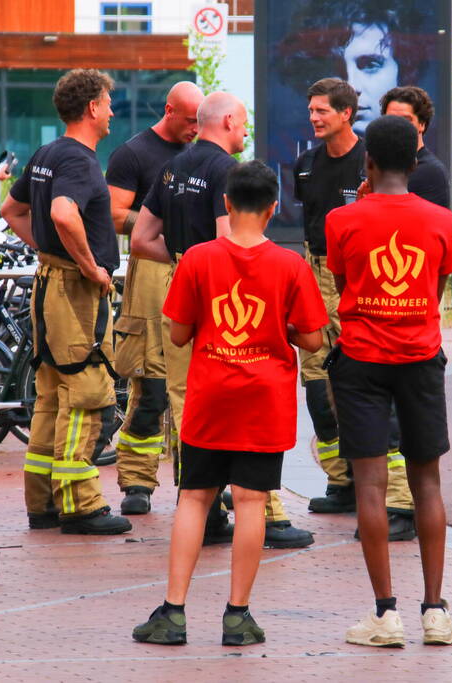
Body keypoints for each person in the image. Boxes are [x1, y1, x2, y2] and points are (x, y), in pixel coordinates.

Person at [132, 160, 327, 646]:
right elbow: (315, 340)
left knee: (194, 498)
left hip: (210, 397)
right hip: (263, 401)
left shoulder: (197, 259)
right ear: (273, 208)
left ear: (226, 203)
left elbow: (177, 335)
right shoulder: (291, 265)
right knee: (251, 501)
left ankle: (173, 613)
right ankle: (237, 616)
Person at [131, 91, 315, 549]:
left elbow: (139, 238)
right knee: (244, 399)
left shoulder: (171, 168)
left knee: (187, 405)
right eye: (244, 122)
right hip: (225, 295)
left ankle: (206, 510)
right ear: (229, 120)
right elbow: (229, 243)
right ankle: (267, 514)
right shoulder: (225, 173)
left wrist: (183, 263)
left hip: (184, 286)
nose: (246, 130)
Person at [325, 114, 452, 647]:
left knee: (371, 485)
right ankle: (435, 611)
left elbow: (342, 283)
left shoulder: (343, 220)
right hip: (421, 356)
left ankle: (385, 615)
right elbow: (436, 285)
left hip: (361, 360)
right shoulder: (441, 220)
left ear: (369, 162)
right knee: (427, 482)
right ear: (416, 161)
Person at [0, 68, 131, 535]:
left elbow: (10, 210)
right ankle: (82, 505)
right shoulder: (79, 160)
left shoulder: (47, 153)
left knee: (51, 395)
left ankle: (43, 504)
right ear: (92, 108)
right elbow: (62, 211)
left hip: (47, 283)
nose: (113, 111)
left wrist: (46, 249)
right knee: (88, 391)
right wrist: (91, 266)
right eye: (108, 103)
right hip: (75, 290)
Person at [294, 78, 416, 542]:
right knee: (317, 388)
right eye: (310, 110)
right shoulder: (305, 165)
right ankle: (341, 480)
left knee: (365, 392)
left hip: (356, 278)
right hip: (313, 270)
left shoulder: (370, 161)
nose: (314, 117)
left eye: (322, 110)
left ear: (347, 114)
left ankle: (399, 501)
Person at [107, 81, 203, 516]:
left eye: (200, 122)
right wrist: (162, 226)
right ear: (169, 110)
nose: (194, 130)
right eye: (188, 121)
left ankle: (195, 483)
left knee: (195, 386)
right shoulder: (133, 153)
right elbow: (113, 213)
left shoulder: (203, 154)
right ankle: (137, 481)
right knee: (151, 386)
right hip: (152, 270)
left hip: (195, 268)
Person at [273, 0, 434, 135]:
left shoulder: (422, 165)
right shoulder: (301, 157)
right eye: (334, 68)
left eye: (370, 65)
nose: (352, 85)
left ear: (404, 71)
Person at [379, 85, 449, 208]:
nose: (397, 125)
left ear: (422, 124)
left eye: (406, 120)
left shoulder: (431, 172)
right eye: (390, 119)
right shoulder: (377, 166)